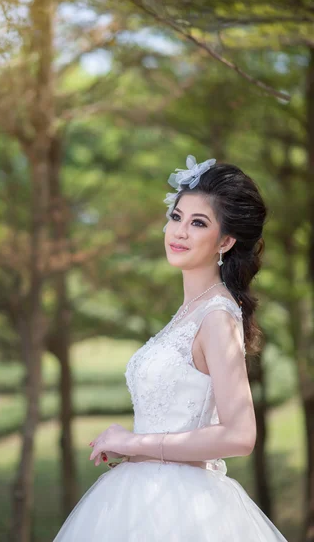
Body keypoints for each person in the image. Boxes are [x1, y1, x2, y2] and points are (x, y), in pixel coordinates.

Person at [52, 154, 289, 541]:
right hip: (140, 492)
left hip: (184, 508)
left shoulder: (216, 316)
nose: (179, 231)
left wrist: (135, 442)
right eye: (176, 217)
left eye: (198, 223)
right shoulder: (188, 312)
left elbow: (240, 435)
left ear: (226, 241)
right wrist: (132, 448)